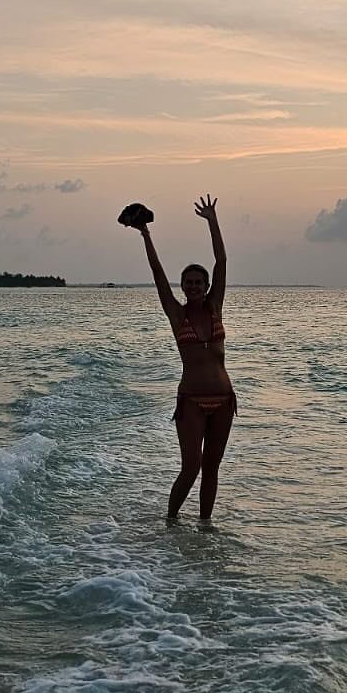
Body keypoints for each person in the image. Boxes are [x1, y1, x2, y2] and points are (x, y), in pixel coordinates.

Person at [133, 194, 235, 526]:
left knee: (212, 468)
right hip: (191, 401)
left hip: (224, 399)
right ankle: (171, 521)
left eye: (198, 282)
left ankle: (205, 526)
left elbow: (221, 260)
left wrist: (212, 222)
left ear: (207, 286)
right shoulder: (177, 316)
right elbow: (158, 275)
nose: (193, 286)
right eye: (188, 283)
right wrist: (146, 235)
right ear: (183, 287)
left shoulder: (215, 307)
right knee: (191, 466)